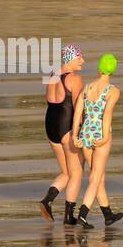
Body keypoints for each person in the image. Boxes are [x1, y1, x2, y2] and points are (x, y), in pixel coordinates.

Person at [71, 53, 123, 229]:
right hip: (100, 134)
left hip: (85, 132)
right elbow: (107, 115)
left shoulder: (87, 88)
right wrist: (105, 137)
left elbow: (78, 113)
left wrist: (75, 135)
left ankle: (107, 214)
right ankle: (83, 215)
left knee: (98, 176)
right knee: (95, 177)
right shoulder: (113, 91)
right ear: (113, 69)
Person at [40, 44, 85, 225]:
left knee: (66, 172)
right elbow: (79, 107)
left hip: (51, 125)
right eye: (80, 57)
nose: (83, 61)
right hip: (66, 125)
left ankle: (47, 200)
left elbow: (49, 99)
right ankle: (69, 216)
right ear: (71, 59)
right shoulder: (75, 79)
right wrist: (81, 129)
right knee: (76, 172)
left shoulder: (51, 75)